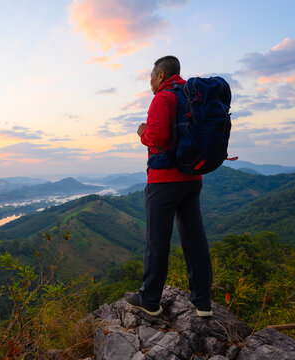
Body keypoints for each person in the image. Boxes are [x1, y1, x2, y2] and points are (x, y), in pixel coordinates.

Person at [125, 55, 213, 317]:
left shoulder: (163, 98)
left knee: (157, 241)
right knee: (194, 238)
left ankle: (150, 299)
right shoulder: (192, 96)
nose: (151, 83)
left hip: (164, 180)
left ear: (161, 76)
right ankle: (202, 301)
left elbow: (160, 137)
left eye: (151, 78)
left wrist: (143, 133)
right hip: (192, 178)